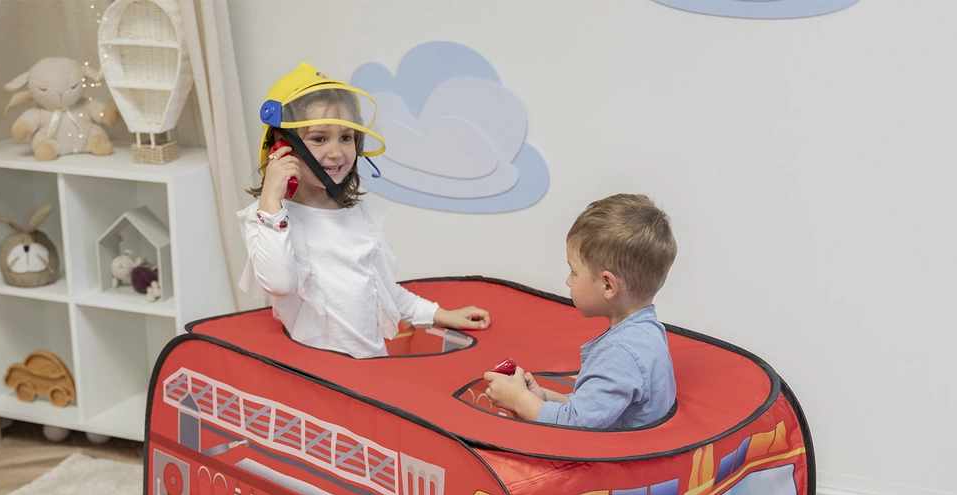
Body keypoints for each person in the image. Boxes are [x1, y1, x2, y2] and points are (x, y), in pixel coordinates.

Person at [239, 63, 489, 358]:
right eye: (319, 138)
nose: (336, 152)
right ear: (281, 148)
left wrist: (442, 315)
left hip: (371, 368)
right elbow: (280, 283)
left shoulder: (358, 213)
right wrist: (271, 202)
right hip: (316, 373)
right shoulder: (267, 219)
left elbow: (383, 291)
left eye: (346, 137)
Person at [483, 193, 677, 429]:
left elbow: (576, 424)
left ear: (608, 285)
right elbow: (594, 410)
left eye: (574, 272)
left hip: (611, 453)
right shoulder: (646, 332)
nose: (568, 281)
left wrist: (517, 399)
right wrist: (539, 397)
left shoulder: (621, 354)